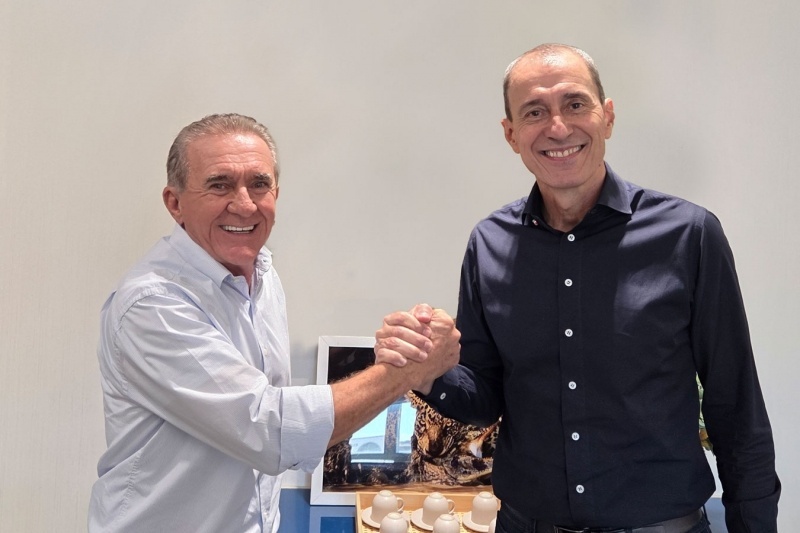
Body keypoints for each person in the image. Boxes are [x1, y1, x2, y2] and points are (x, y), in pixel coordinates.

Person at [377, 44, 780, 532]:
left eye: (574, 104)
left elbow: (734, 406)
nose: (558, 127)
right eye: (534, 112)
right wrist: (428, 371)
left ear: (607, 117)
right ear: (511, 134)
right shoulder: (489, 243)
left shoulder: (689, 235)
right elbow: (484, 395)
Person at [88, 113, 460, 533]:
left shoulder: (261, 274)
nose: (244, 204)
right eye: (219, 185)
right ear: (175, 203)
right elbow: (271, 430)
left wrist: (409, 347)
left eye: (259, 184)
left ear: (276, 194)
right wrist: (408, 368)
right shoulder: (152, 304)